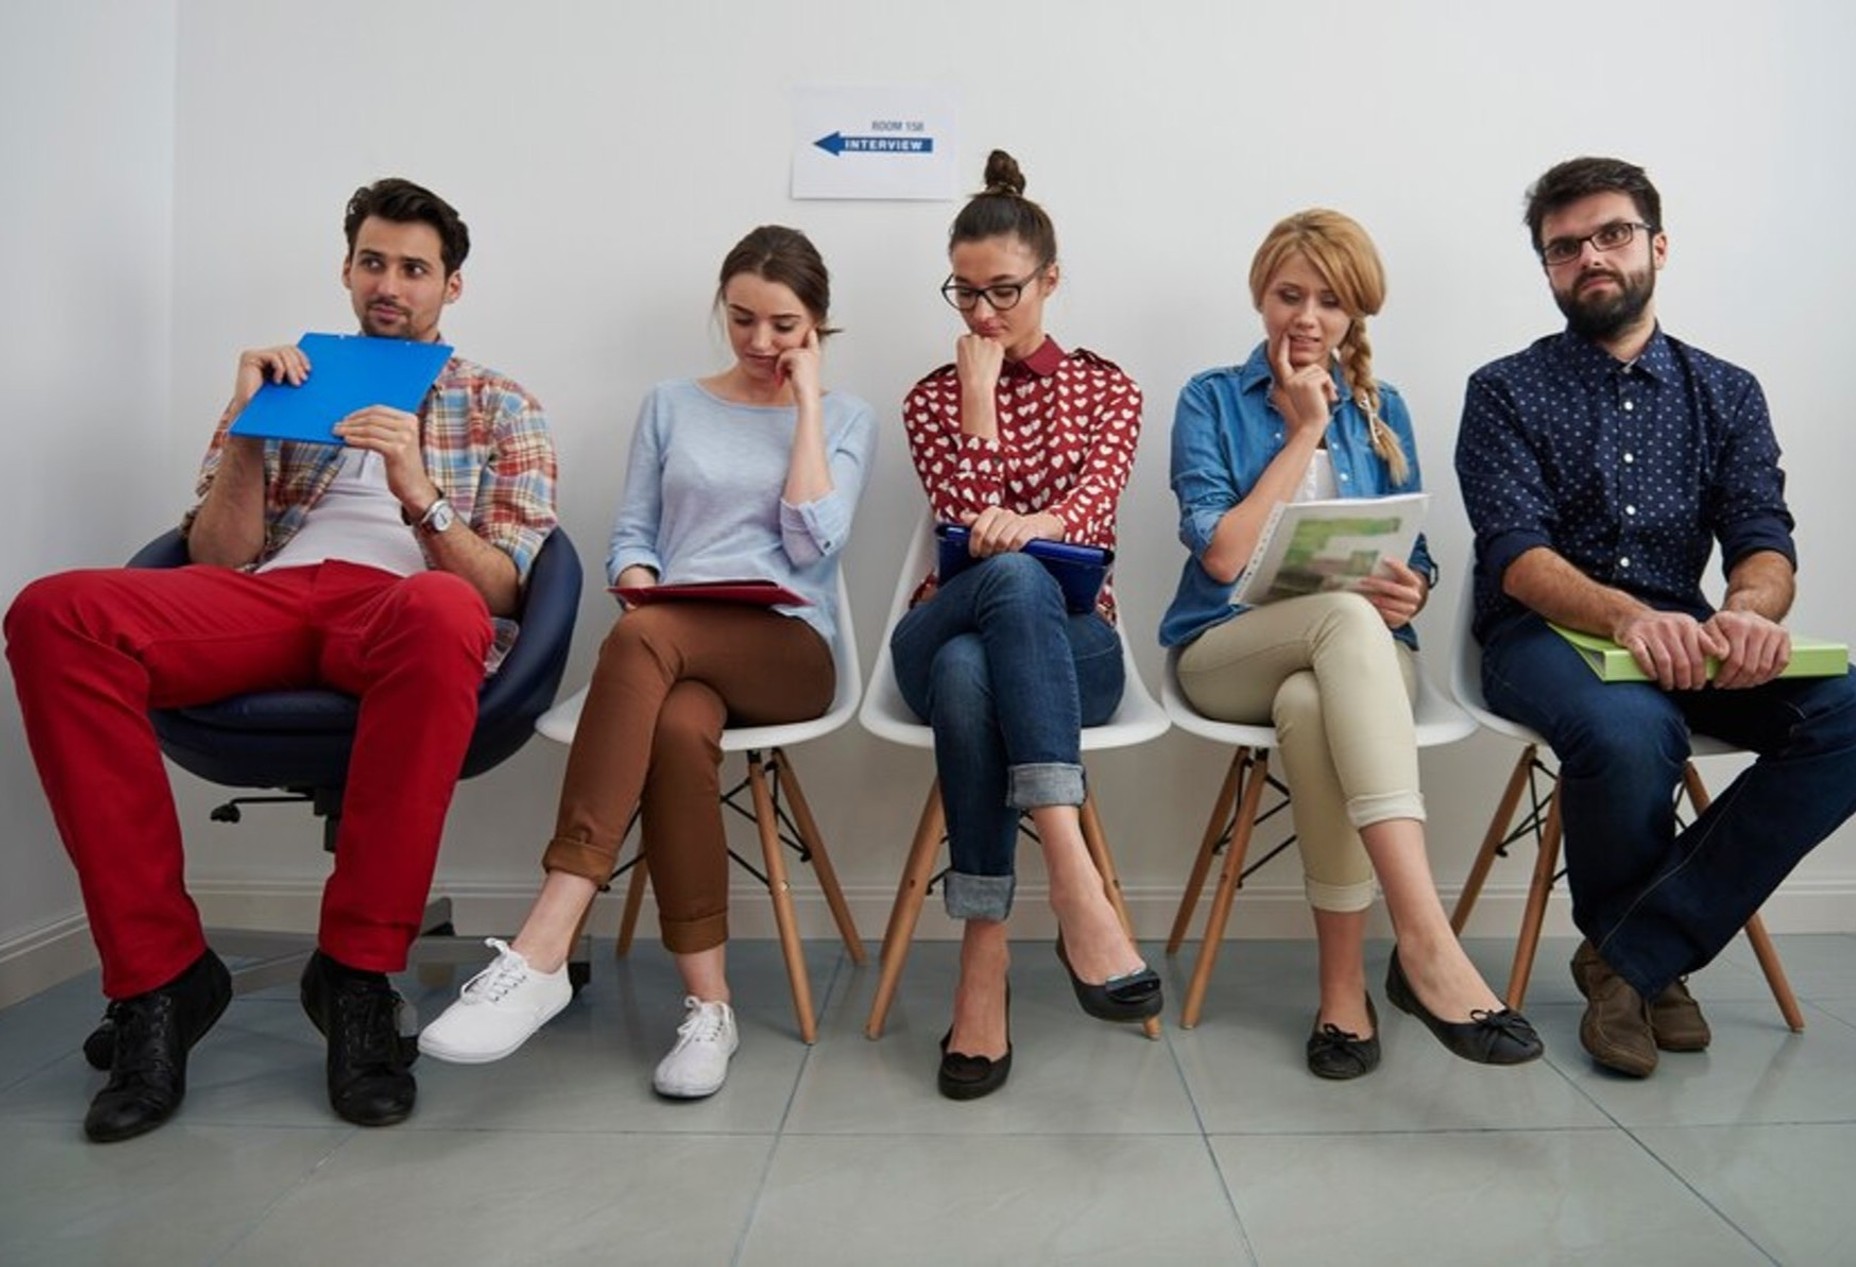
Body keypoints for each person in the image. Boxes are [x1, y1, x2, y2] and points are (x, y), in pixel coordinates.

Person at [4, 178, 558, 1140]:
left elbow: (504, 591)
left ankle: (355, 972)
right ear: (346, 270)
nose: (390, 285)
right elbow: (216, 558)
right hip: (267, 597)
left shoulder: (501, 403)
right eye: (373, 262)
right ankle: (161, 977)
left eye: (414, 269)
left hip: (400, 607)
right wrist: (248, 429)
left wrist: (419, 491)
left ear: (452, 286)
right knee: (54, 613)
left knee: (441, 609)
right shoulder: (287, 380)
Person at [1456, 156, 1856, 1077]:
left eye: (1611, 234)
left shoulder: (1727, 390)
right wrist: (1626, 617)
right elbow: (1516, 553)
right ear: (1548, 268)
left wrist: (1750, 613)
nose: (1590, 256)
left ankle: (1631, 955)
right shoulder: (1504, 388)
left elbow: (1762, 535)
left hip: (1690, 633)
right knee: (1633, 727)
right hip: (1536, 637)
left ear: (1657, 246)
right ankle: (1648, 968)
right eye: (1565, 246)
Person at [418, 226, 875, 1100]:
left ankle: (545, 941)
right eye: (741, 318)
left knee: (641, 639)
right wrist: (636, 577)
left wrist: (807, 407)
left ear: (816, 325)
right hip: (675, 644)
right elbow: (634, 533)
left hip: (787, 648)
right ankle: (710, 1008)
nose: (759, 341)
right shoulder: (670, 404)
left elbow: (816, 543)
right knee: (673, 722)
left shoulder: (848, 416)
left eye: (783, 325)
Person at [1161, 210, 1543, 1077]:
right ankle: (1425, 940)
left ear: (1355, 311)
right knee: (1340, 618)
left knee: (1312, 698)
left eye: (1330, 301)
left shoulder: (1385, 406)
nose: (1308, 317)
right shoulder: (1209, 398)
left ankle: (1343, 993)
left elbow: (1415, 548)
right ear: (1261, 295)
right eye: (1289, 294)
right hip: (1228, 650)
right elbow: (1221, 557)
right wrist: (1303, 430)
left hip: (1359, 660)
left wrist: (1416, 587)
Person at [892, 149, 1154, 1102]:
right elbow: (963, 530)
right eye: (964, 292)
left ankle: (983, 960)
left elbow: (1091, 516)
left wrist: (1032, 525)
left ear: (1050, 279)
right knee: (1000, 581)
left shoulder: (1111, 390)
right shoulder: (930, 397)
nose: (981, 313)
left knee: (977, 667)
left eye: (1003, 290)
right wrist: (976, 398)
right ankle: (1072, 876)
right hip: (937, 626)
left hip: (1076, 647)